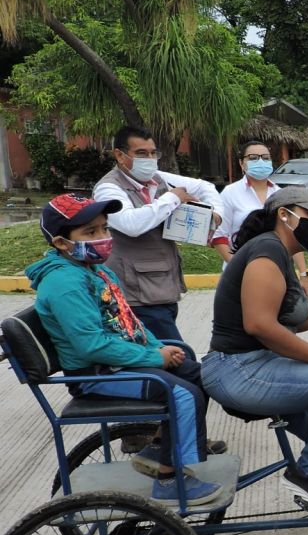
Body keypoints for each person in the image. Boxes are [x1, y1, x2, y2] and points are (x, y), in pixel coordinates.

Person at [27, 194, 222, 504]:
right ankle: (171, 479)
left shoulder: (97, 271)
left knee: (199, 375)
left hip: (119, 362)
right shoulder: (65, 283)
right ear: (62, 243)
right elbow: (93, 346)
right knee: (182, 394)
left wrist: (159, 348)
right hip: (96, 373)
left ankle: (159, 449)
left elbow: (129, 323)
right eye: (90, 233)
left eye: (105, 229)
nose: (104, 238)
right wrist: (153, 357)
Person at [201, 186, 308, 525]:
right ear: (285, 215)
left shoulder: (279, 253)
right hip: (238, 369)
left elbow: (294, 319)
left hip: (253, 365)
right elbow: (260, 325)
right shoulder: (267, 251)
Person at [93, 125, 225, 343]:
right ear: (119, 155)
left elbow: (205, 187)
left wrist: (215, 215)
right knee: (180, 361)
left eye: (153, 153)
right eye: (141, 154)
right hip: (136, 296)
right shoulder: (108, 189)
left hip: (165, 289)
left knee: (165, 360)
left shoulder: (158, 179)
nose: (150, 159)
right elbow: (131, 224)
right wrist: (172, 198)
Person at [210, 141, 308, 296]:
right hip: (240, 275)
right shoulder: (230, 193)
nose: (260, 162)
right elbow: (219, 236)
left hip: (277, 272)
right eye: (253, 157)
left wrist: (304, 274)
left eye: (265, 158)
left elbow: (292, 236)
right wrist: (237, 265)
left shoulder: (281, 195)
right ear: (241, 163)